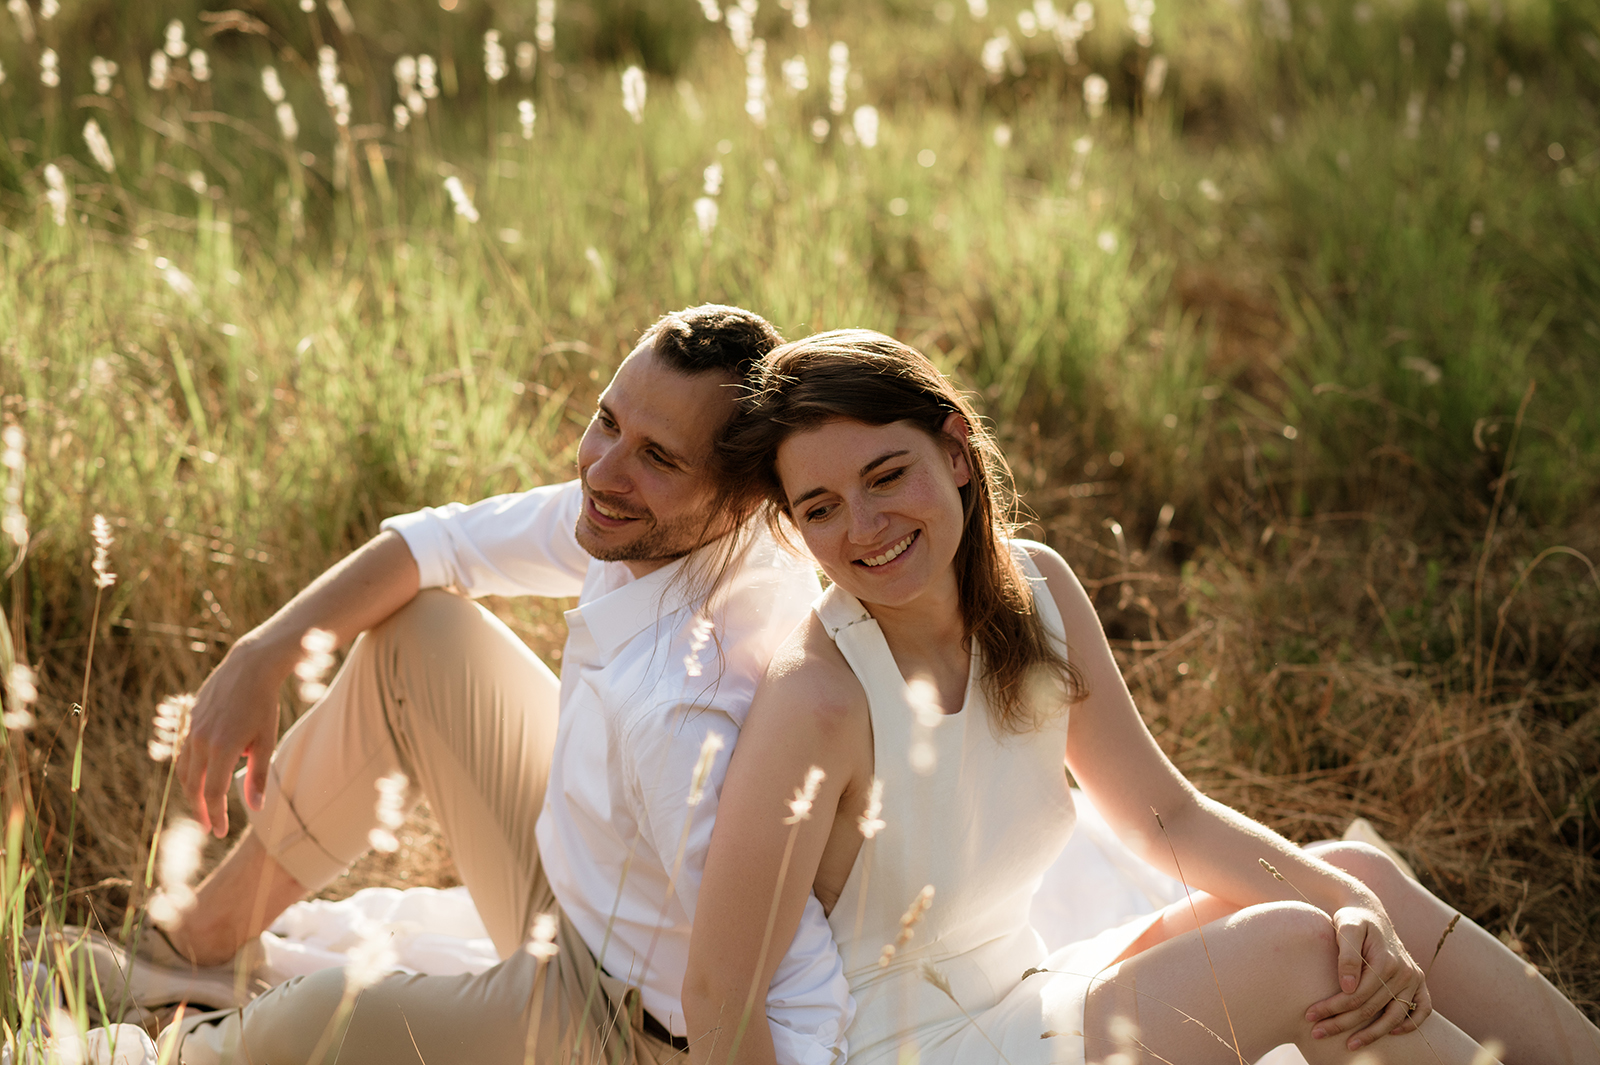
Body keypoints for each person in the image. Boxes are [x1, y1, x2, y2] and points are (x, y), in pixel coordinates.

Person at [682, 329, 1600, 1065]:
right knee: (1301, 948)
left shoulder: (1034, 586)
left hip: (1031, 994)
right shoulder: (821, 699)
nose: (865, 528)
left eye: (886, 475)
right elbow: (718, 997)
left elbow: (1167, 814)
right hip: (916, 1046)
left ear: (957, 451)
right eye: (821, 507)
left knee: (1354, 883)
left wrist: (1365, 915)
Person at [55, 306, 857, 1064]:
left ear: (745, 495)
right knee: (422, 631)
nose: (604, 470)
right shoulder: (655, 521)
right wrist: (261, 654)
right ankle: (197, 943)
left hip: (616, 1026)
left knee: (313, 1018)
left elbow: (779, 989)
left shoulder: (693, 706)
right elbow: (440, 545)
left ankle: (174, 1046)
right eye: (609, 420)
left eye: (658, 456)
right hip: (579, 892)